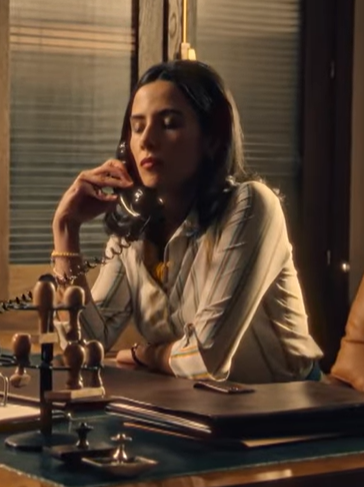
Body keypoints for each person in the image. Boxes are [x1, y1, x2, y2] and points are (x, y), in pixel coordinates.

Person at [51, 60, 323, 382]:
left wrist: (146, 354)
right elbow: (83, 349)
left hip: (289, 403)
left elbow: (204, 359)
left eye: (168, 124)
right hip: (195, 402)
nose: (146, 140)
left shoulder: (251, 206)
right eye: (137, 127)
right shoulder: (134, 230)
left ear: (211, 139)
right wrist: (66, 230)